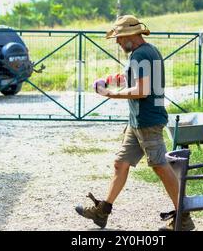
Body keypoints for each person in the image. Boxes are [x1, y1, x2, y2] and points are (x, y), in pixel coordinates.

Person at [75, 15, 195, 231]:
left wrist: (110, 93)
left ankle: (183, 218)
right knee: (120, 164)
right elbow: (132, 76)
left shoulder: (140, 55)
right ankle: (102, 212)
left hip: (147, 121)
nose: (118, 42)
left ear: (132, 35)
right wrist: (110, 79)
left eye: (120, 37)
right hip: (138, 122)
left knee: (160, 166)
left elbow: (142, 90)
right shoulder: (148, 52)